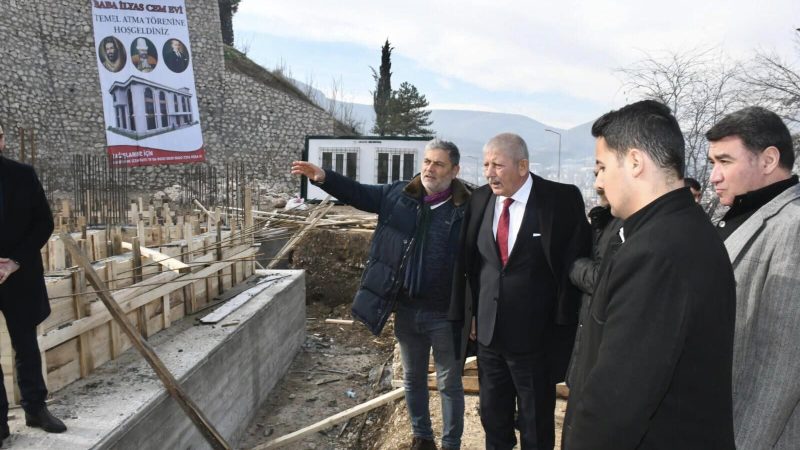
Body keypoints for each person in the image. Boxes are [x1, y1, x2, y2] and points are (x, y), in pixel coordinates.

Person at [562, 100, 736, 450]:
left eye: (602, 167)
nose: (598, 180)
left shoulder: (658, 252)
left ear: (635, 162)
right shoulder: (677, 229)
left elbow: (617, 400)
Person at [292, 139, 469, 450]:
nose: (429, 168)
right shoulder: (398, 195)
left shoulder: (468, 207)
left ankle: (451, 444)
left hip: (445, 313)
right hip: (407, 308)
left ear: (454, 170)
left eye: (438, 164)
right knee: (413, 379)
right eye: (427, 161)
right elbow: (359, 193)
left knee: (449, 384)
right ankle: (422, 438)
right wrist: (324, 177)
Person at [449, 133, 590, 449]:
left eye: (497, 165)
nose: (489, 172)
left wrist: (564, 325)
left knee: (535, 424)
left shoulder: (559, 200)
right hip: (488, 337)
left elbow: (575, 261)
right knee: (492, 418)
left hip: (535, 341)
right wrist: (471, 314)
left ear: (523, 165)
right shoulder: (480, 200)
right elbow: (472, 264)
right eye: (486, 164)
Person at [706, 106, 800, 449]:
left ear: (768, 160)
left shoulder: (794, 227)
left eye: (725, 161)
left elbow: (782, 365)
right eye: (713, 163)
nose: (714, 176)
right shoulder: (741, 214)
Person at [0, 122, 67, 445]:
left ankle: (35, 408)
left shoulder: (22, 175)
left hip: (20, 274)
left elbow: (44, 222)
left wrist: (14, 261)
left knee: (25, 345)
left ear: (1, 140)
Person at [565, 186, 622, 386]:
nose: (599, 183)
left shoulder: (625, 224)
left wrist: (572, 263)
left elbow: (603, 278)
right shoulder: (606, 221)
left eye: (604, 170)